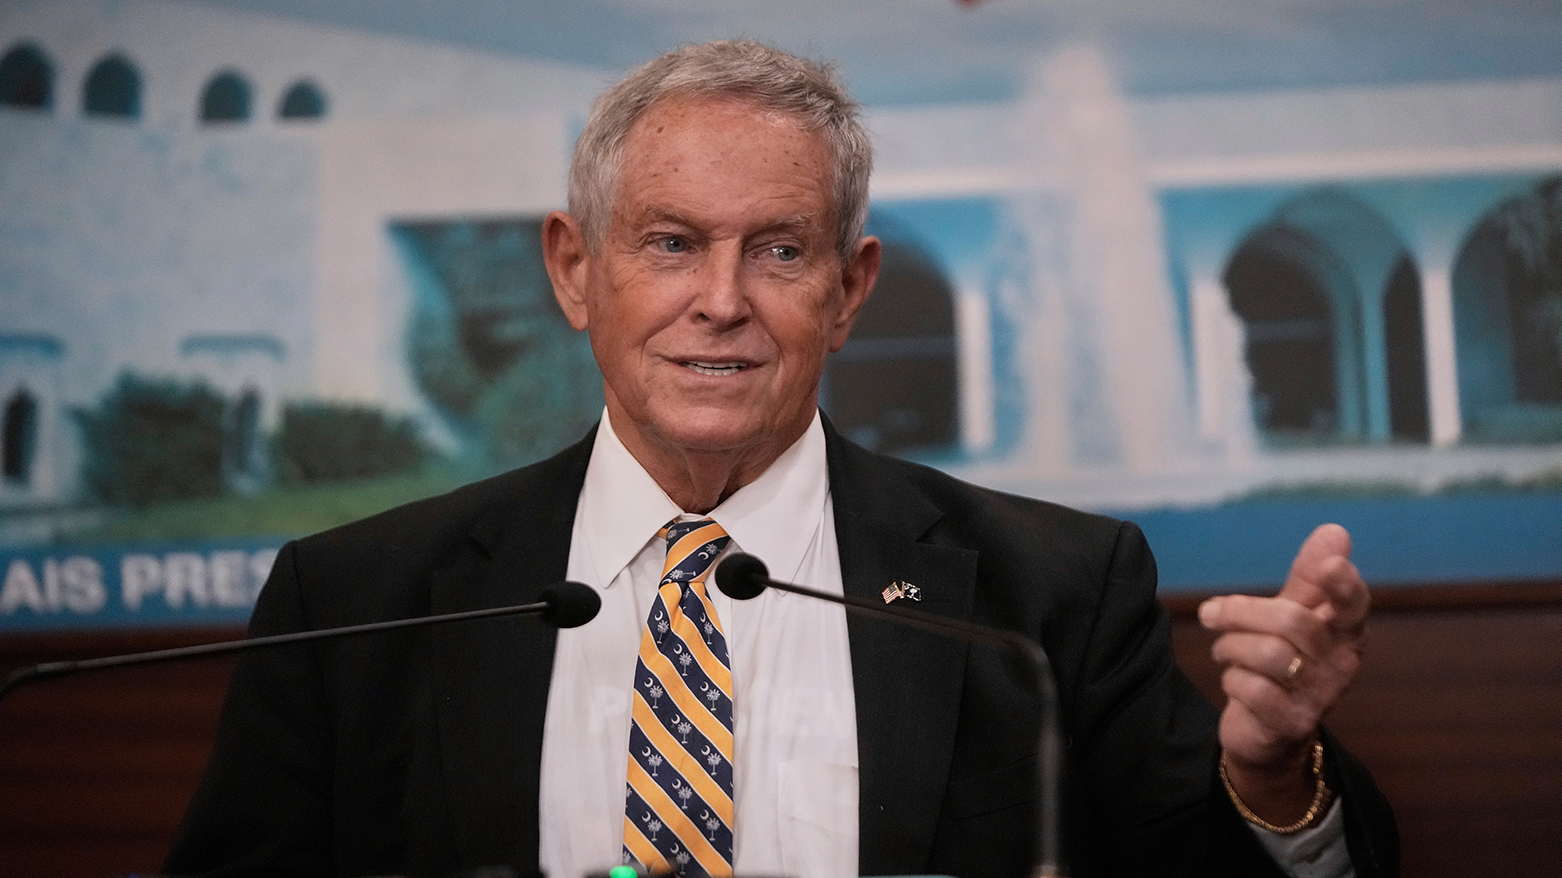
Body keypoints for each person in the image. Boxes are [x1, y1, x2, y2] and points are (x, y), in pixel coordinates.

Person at [164, 40, 1397, 878]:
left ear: (848, 289)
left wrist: (1270, 775)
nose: (720, 300)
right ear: (574, 270)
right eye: (668, 242)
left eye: (779, 250)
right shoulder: (357, 601)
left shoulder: (1048, 593)